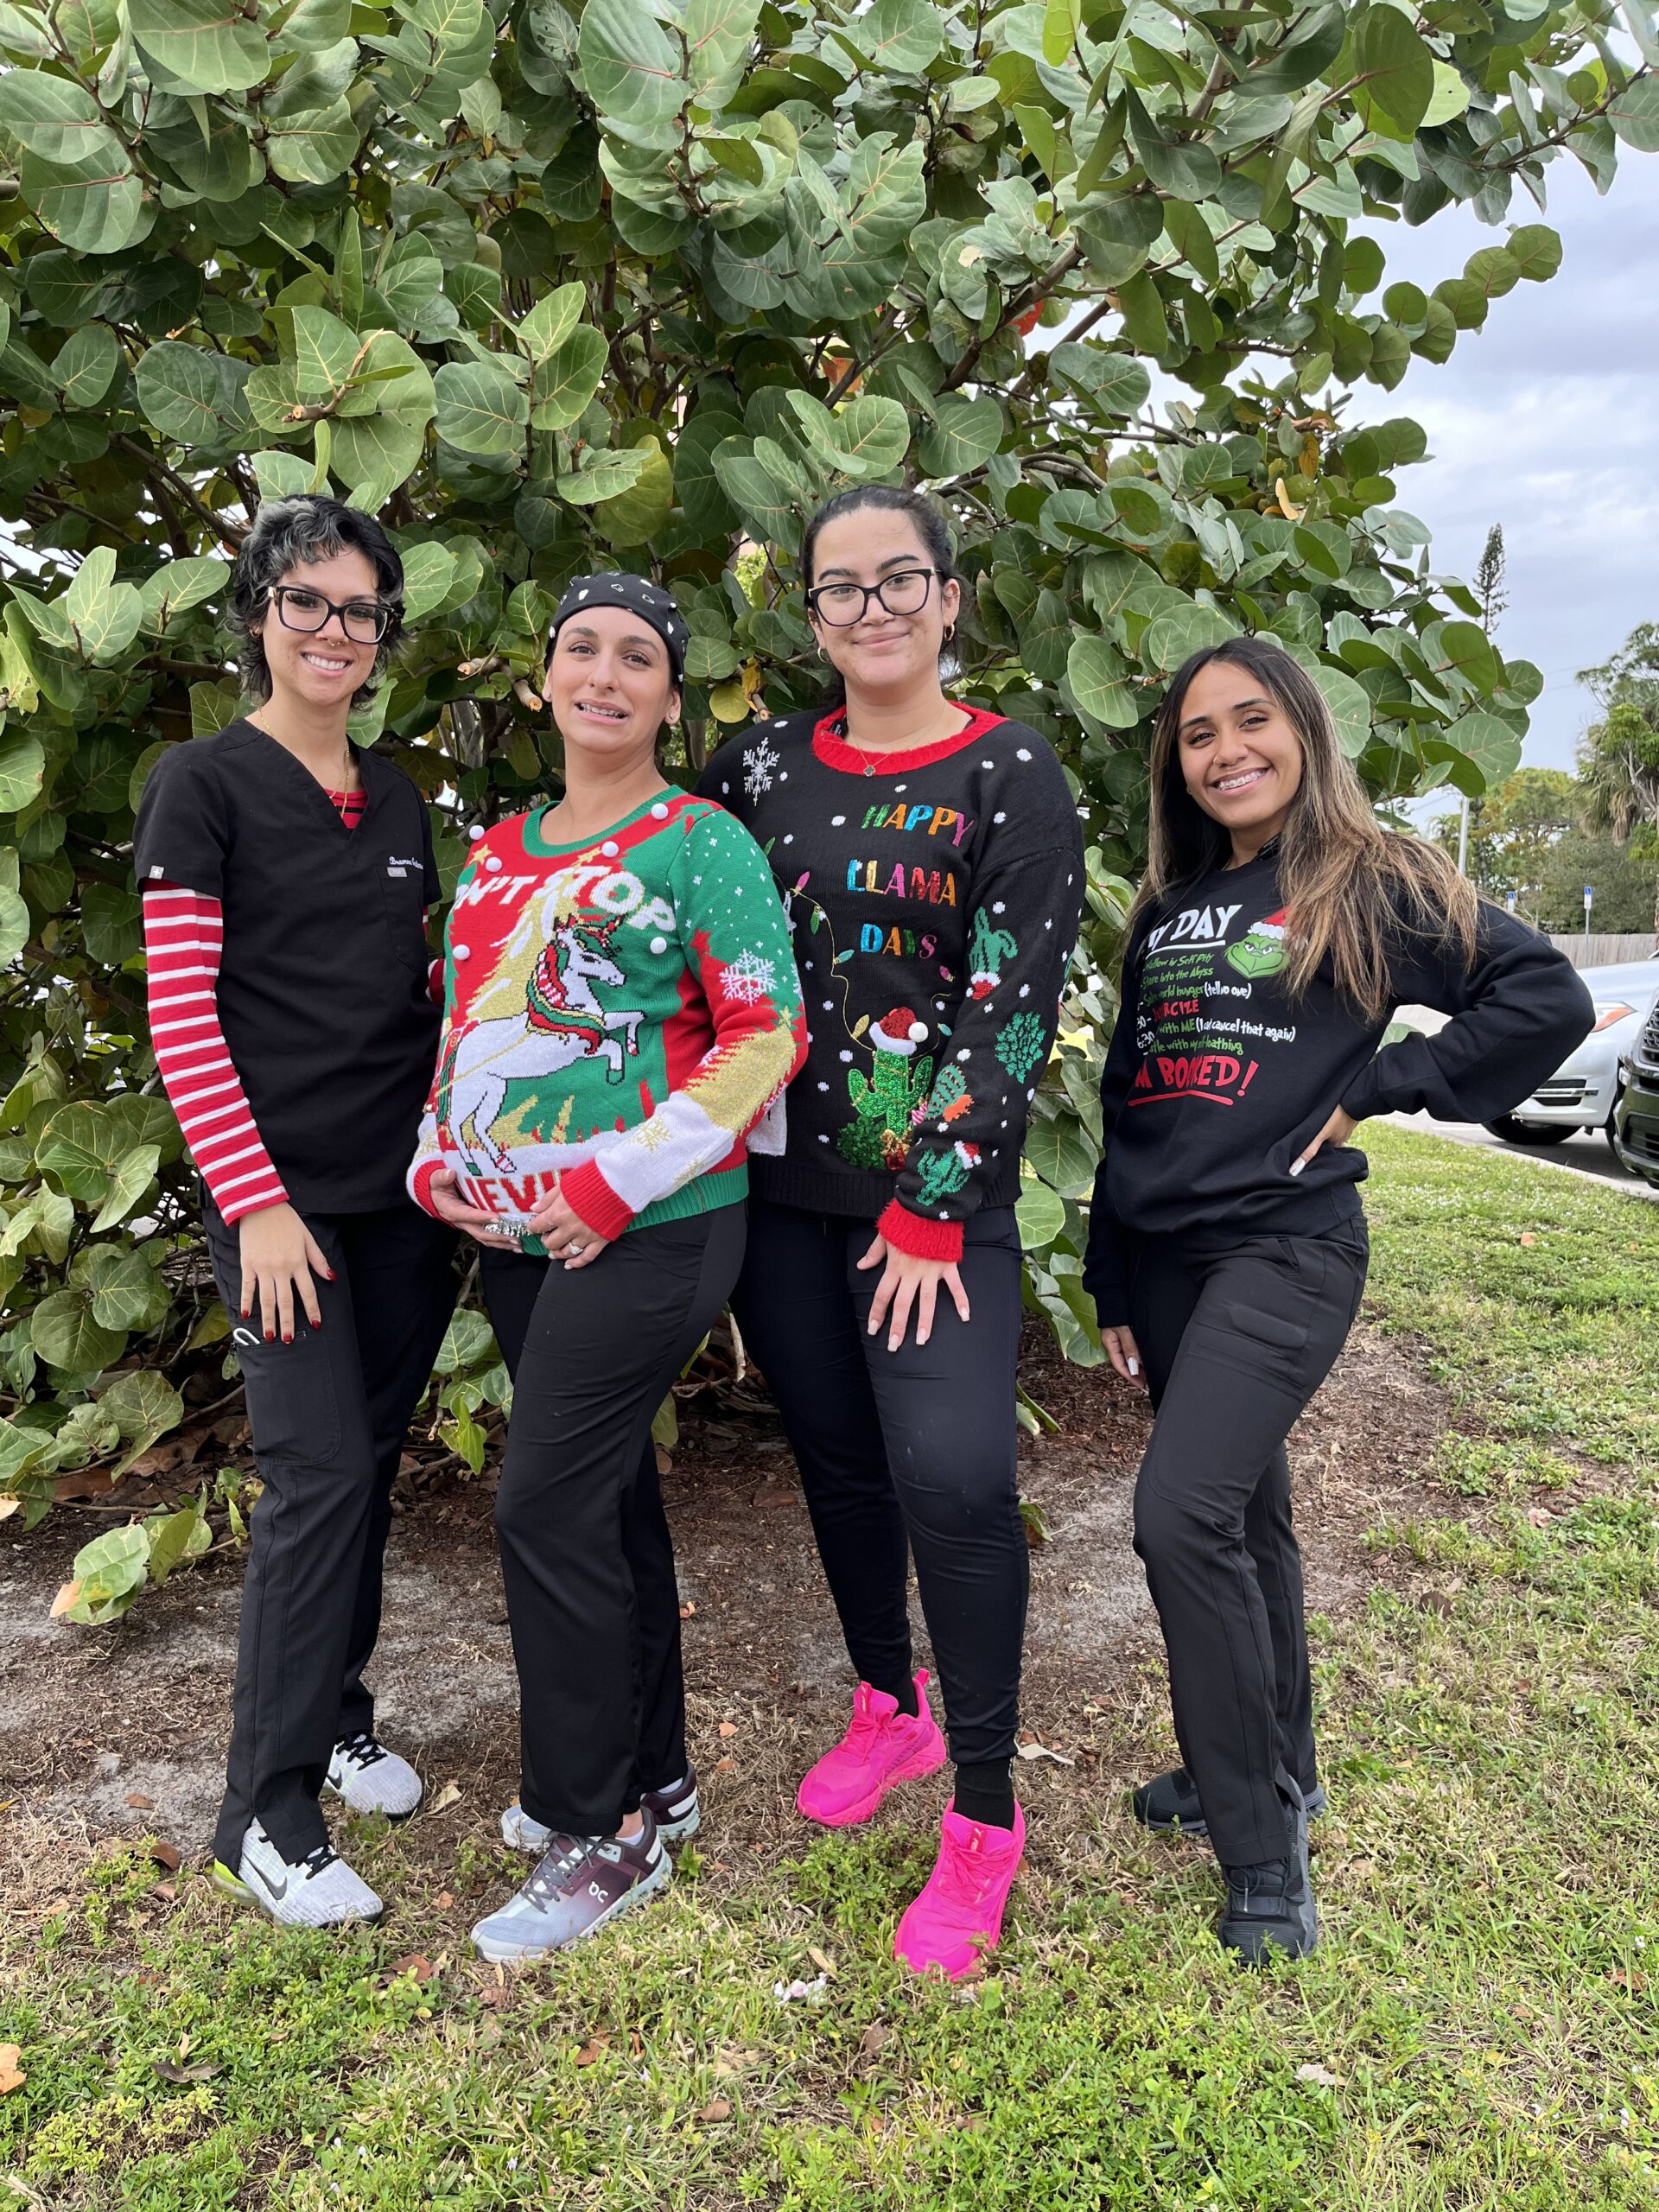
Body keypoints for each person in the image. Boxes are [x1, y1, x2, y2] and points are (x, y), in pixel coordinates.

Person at [1083, 637, 1595, 1963]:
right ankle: (1264, 1766)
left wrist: (1386, 1089)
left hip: (1288, 1248)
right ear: (1177, 767)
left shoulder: (1368, 880)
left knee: (1179, 1518)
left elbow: (1546, 995)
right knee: (1245, 1524)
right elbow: (1127, 1099)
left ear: (1304, 730)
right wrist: (1106, 1267)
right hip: (1169, 1258)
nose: (1226, 750)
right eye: (1198, 734)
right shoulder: (1168, 910)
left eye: (1252, 721)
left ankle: (1263, 1853)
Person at [700, 486, 1085, 1980]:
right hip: (789, 1198)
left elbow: (1013, 1002)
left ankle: (984, 1818)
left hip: (940, 1211)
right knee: (841, 1462)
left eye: (898, 580)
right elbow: (710, 942)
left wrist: (933, 1202)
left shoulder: (1010, 773)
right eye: (839, 590)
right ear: (811, 616)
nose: (871, 609)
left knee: (961, 1483)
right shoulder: (759, 764)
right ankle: (890, 1706)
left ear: (948, 595)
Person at [407, 571, 804, 1963]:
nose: (606, 674)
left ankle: (599, 1832)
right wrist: (432, 1157)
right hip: (514, 1233)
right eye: (582, 649)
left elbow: (767, 1038)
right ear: (546, 682)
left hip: (663, 1222)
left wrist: (610, 1183)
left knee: (543, 1505)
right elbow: (465, 1025)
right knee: (607, 1494)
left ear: (669, 699)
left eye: (640, 657)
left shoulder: (701, 842)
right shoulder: (498, 848)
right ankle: (660, 1775)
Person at [133, 495, 458, 1927]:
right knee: (316, 1475)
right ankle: (264, 1811)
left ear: (386, 635)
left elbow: (421, 1005)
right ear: (261, 615)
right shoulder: (199, 784)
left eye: (360, 610)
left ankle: (334, 1714)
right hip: (282, 1213)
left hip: (407, 1206)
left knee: (368, 1463)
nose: (335, 631)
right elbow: (184, 1022)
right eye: (307, 602)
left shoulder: (394, 803)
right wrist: (255, 1205)